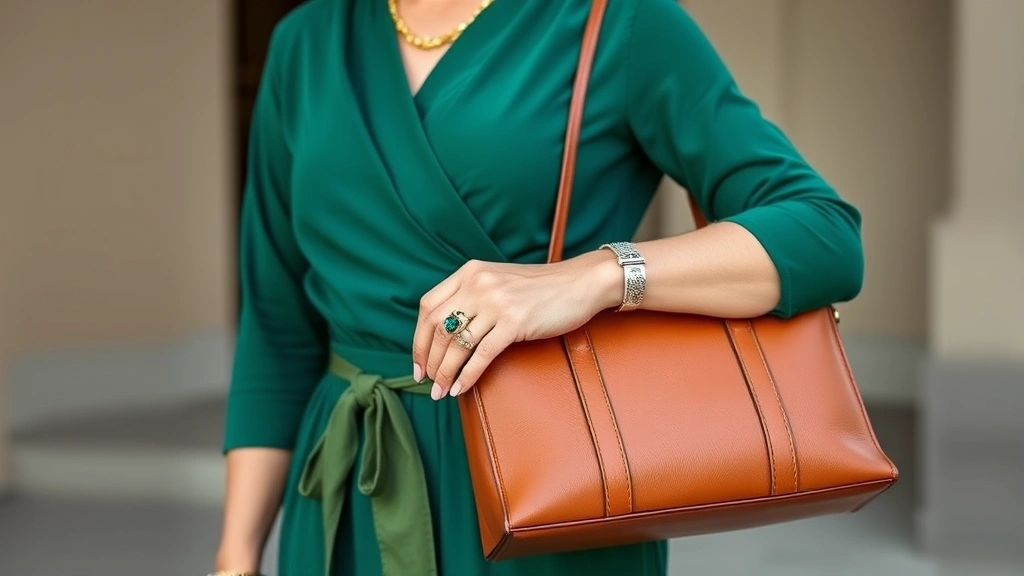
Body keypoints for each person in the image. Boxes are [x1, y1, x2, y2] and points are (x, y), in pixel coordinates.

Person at [212, 0, 865, 574]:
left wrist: (599, 276)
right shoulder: (305, 40)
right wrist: (236, 556)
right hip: (346, 494)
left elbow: (825, 236)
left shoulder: (620, 21)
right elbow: (277, 326)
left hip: (548, 479)